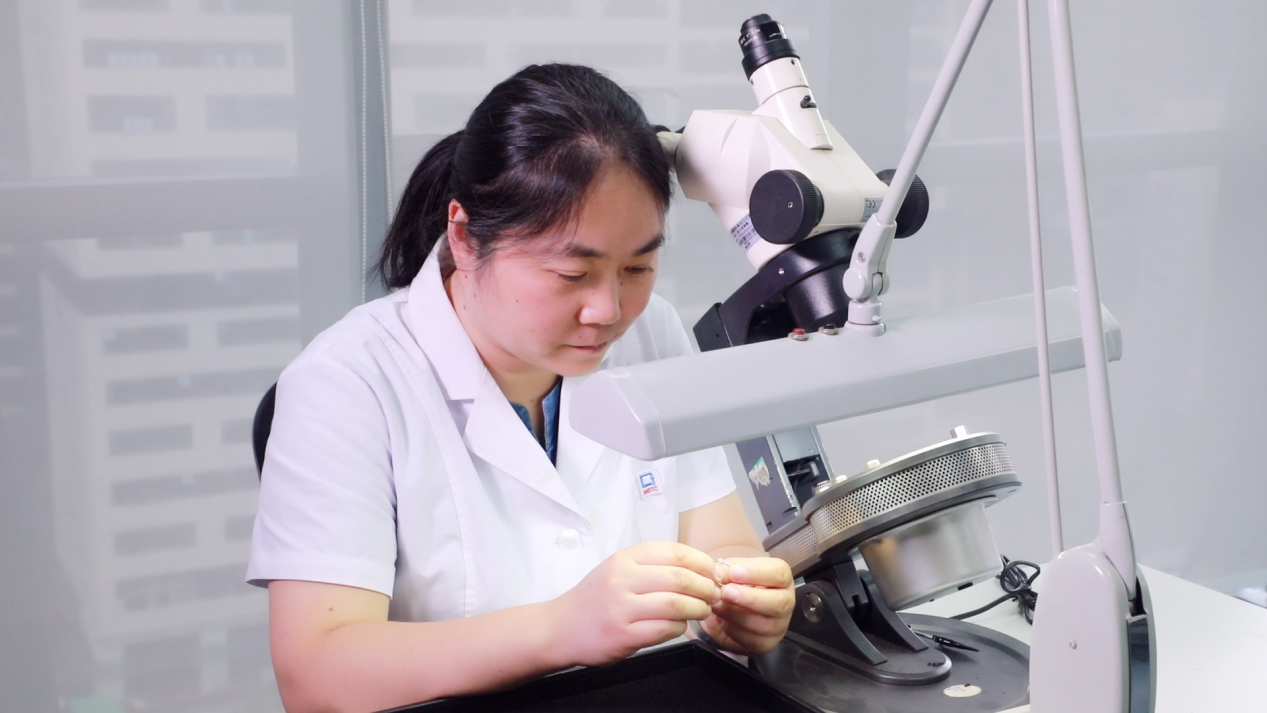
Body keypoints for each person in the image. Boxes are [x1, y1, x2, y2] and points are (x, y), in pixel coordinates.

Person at [246, 64, 794, 713]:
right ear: (463, 236)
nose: (609, 310)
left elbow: (721, 541)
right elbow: (316, 674)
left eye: (638, 266)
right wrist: (559, 627)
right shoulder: (345, 383)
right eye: (571, 273)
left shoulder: (654, 332)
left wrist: (745, 602)